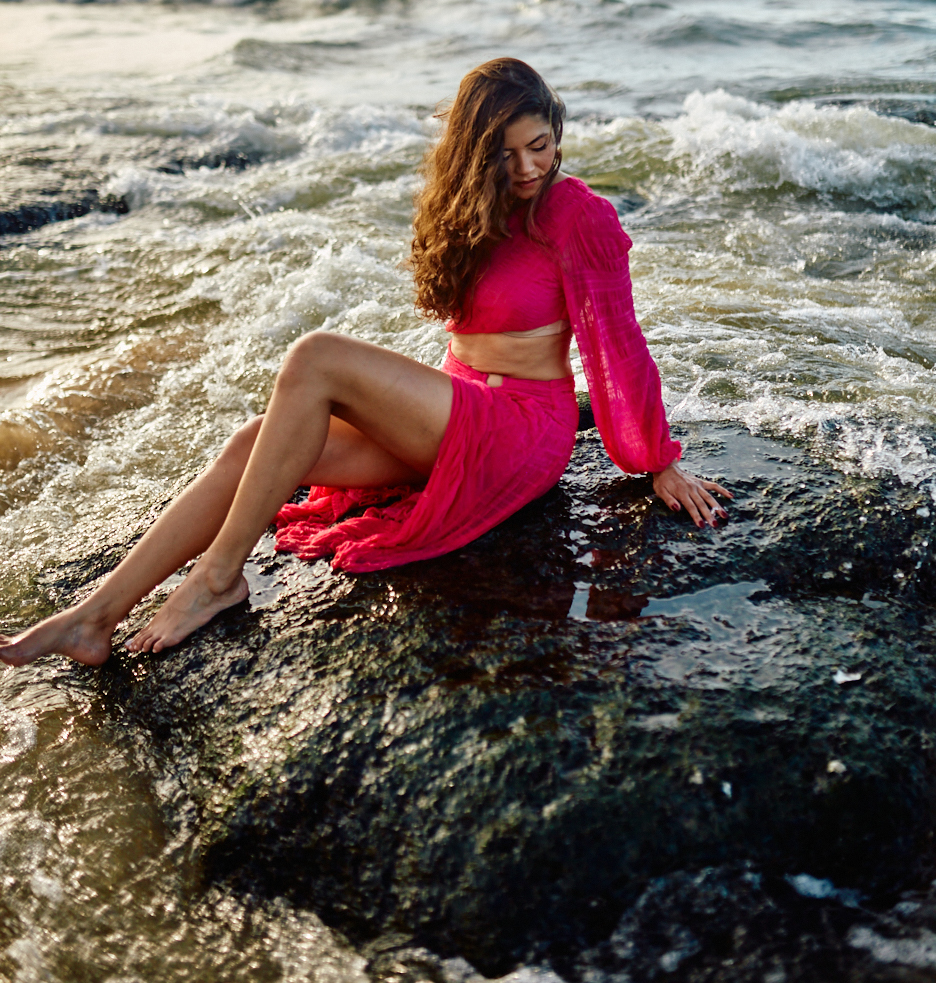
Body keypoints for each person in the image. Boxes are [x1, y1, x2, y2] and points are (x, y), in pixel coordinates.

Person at [0, 59, 728, 668]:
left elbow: (616, 344)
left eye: (540, 145)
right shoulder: (476, 210)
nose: (528, 166)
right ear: (474, 155)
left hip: (518, 432)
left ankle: (218, 577)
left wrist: (655, 458)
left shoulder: (577, 214)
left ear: (557, 134)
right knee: (253, 443)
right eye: (504, 154)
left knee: (314, 358)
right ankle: (94, 617)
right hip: (455, 414)